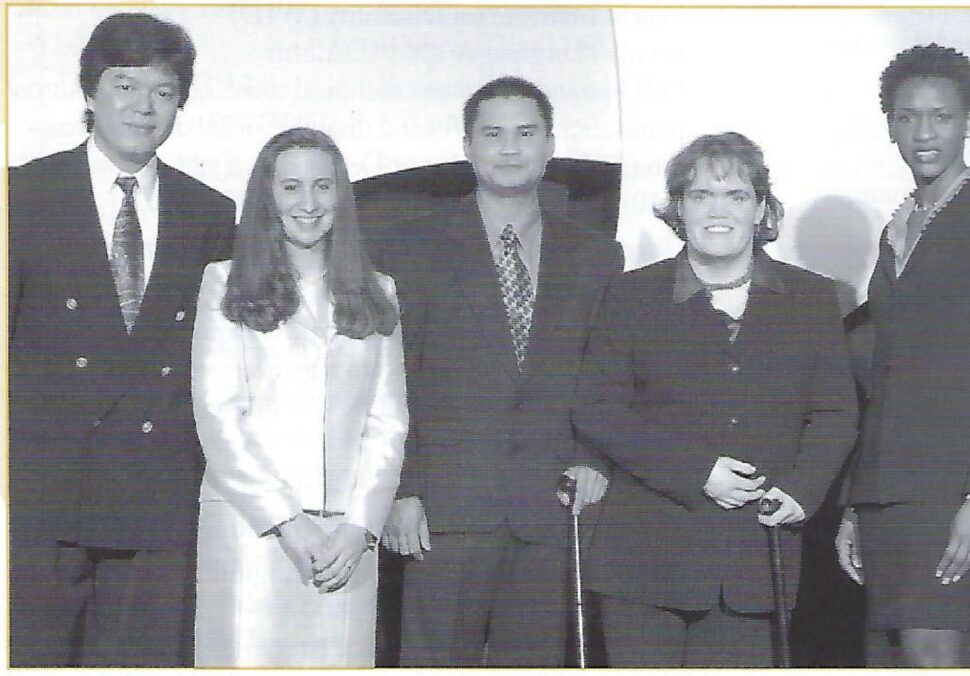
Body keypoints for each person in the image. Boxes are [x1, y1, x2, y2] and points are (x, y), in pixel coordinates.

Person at [572, 132, 858, 667]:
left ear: (761, 209)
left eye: (736, 195)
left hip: (755, 559)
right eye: (701, 196)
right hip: (643, 562)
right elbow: (597, 409)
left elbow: (835, 411)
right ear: (678, 208)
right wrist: (696, 470)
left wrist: (800, 488)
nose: (718, 211)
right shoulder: (631, 295)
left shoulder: (811, 298)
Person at [7, 13, 235, 667]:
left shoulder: (211, 213)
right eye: (125, 85)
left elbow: (218, 368)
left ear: (180, 104)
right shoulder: (23, 196)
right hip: (45, 504)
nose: (143, 107)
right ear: (90, 93)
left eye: (163, 92)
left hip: (157, 504)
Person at [378, 76, 623, 666]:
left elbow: (608, 373)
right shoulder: (408, 248)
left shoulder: (595, 254)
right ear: (467, 146)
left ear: (549, 143)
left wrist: (593, 458)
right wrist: (401, 490)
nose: (509, 148)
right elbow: (388, 380)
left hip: (551, 509)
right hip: (443, 510)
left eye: (525, 133)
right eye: (493, 134)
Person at [190, 127, 407, 667]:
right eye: (290, 188)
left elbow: (388, 423)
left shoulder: (380, 291)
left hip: (346, 544)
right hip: (252, 530)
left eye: (322, 187)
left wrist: (361, 527)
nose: (308, 204)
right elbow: (219, 416)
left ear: (342, 196)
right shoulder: (223, 283)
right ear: (267, 196)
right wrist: (287, 521)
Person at [835, 44, 970, 668]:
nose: (924, 132)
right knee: (890, 660)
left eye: (940, 116)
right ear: (890, 125)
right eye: (908, 117)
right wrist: (858, 505)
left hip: (957, 495)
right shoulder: (898, 228)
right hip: (890, 496)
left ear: (969, 120)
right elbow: (883, 381)